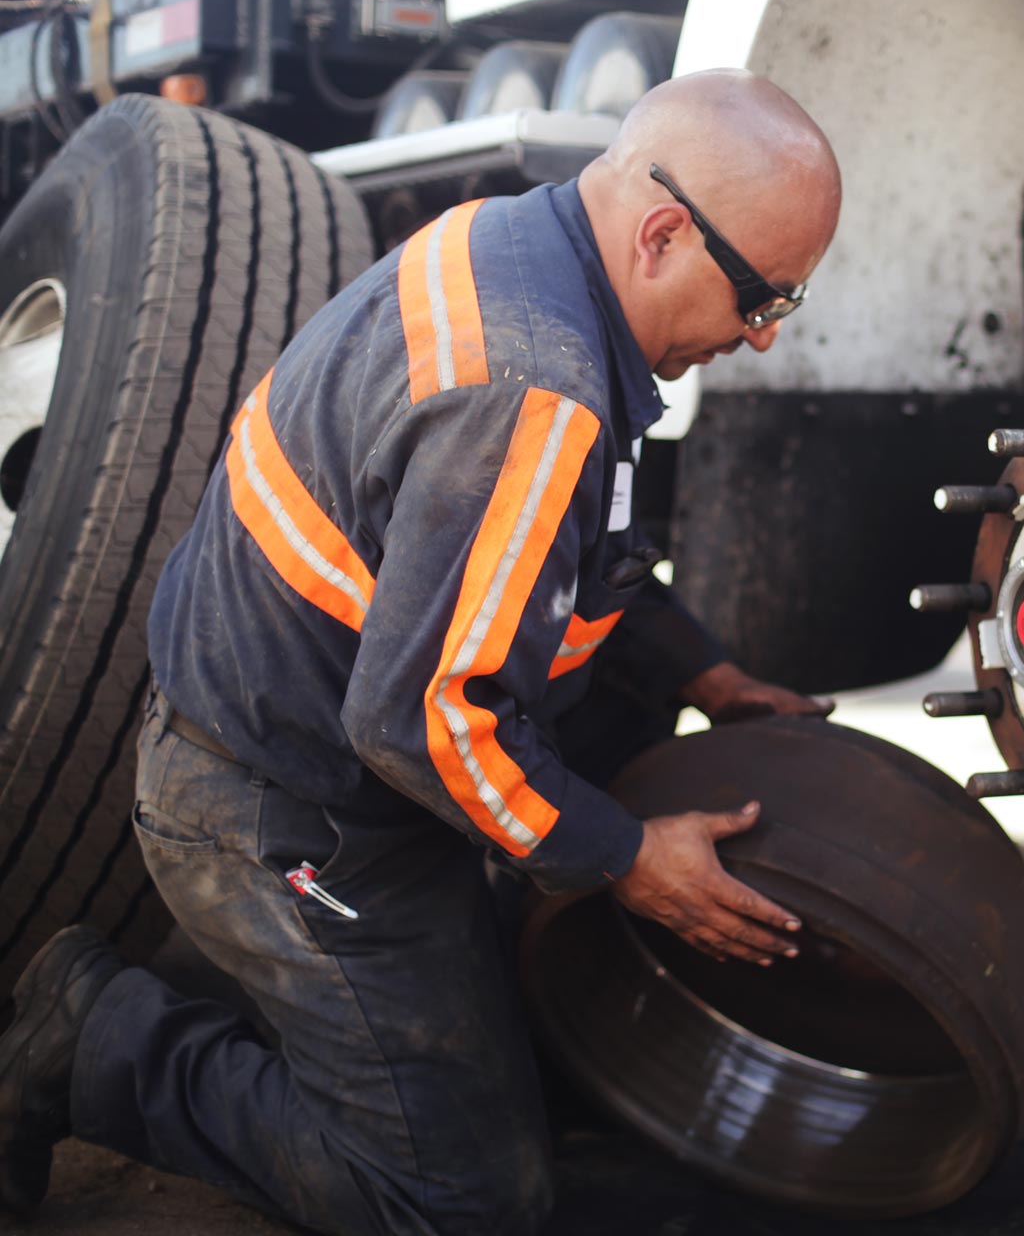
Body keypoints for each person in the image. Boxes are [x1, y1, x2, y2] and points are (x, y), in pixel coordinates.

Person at [0, 68, 843, 1234]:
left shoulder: (527, 251)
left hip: (317, 730)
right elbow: (423, 724)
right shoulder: (532, 384)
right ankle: (94, 1036)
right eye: (763, 296)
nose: (758, 336)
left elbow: (566, 544)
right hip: (286, 808)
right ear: (662, 232)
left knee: (530, 1026)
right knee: (463, 1197)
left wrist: (701, 670)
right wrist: (626, 855)